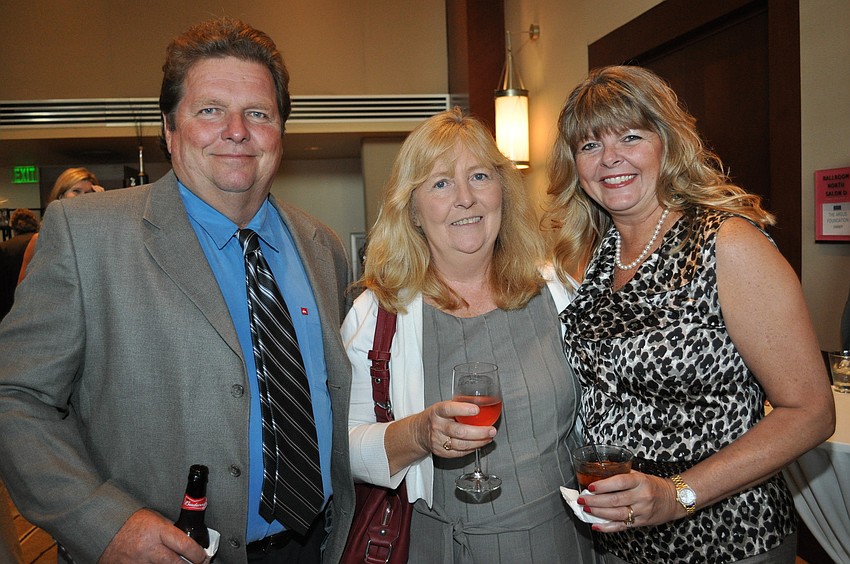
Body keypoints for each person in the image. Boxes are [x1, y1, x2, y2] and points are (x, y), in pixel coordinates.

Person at [0, 17, 354, 563]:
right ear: (169, 130)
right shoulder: (85, 236)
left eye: (258, 113)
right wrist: (103, 523)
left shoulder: (321, 246)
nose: (236, 129)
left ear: (280, 130)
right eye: (210, 109)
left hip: (315, 547)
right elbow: (15, 398)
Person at [544, 65, 835, 563]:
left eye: (630, 137)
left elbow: (810, 412)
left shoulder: (727, 244)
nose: (609, 158)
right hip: (618, 539)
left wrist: (678, 494)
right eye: (590, 146)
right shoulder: (590, 254)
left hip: (727, 538)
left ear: (667, 143)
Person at [342, 108, 594, 562]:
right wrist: (418, 434)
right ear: (413, 210)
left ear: (503, 192)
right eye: (440, 183)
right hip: (438, 548)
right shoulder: (378, 312)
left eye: (479, 176)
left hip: (558, 542)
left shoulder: (557, 291)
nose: (465, 199)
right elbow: (344, 444)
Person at [17, 167, 103, 283]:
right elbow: (24, 287)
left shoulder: (99, 236)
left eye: (88, 193)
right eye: (76, 191)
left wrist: (104, 205)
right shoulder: (41, 240)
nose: (83, 197)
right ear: (60, 196)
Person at [0, 208, 38, 319]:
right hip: (37, 301)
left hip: (11, 304)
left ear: (13, 226)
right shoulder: (43, 242)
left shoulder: (4, 247)